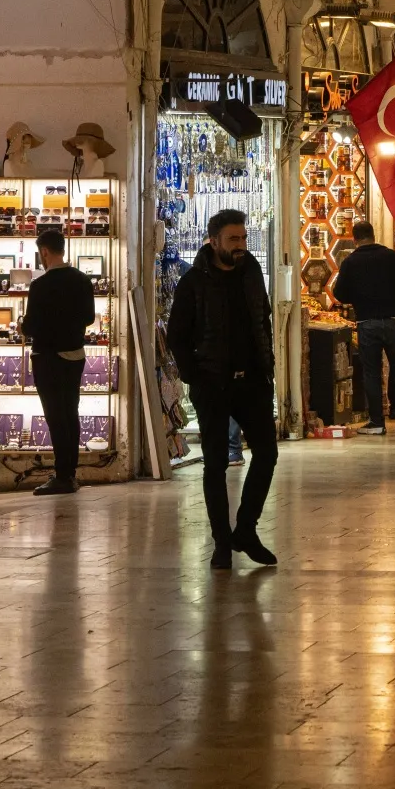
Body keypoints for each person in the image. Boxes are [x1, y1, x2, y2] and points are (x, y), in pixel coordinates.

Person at [166, 209, 280, 568]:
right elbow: (176, 336)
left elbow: (263, 318)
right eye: (233, 239)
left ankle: (245, 529)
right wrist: (194, 377)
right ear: (214, 241)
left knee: (267, 453)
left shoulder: (251, 272)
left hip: (253, 382)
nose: (240, 244)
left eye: (243, 237)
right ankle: (221, 543)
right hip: (212, 384)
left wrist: (267, 366)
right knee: (214, 464)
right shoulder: (193, 281)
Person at [22, 229, 96, 494]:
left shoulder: (40, 286)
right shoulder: (82, 280)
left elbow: (30, 326)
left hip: (48, 357)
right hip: (75, 355)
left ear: (44, 252)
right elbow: (89, 318)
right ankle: (69, 473)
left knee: (55, 417)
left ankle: (62, 475)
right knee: (70, 414)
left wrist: (24, 326)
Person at [331, 219, 395, 434]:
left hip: (367, 322)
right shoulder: (392, 257)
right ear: (374, 235)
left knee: (371, 372)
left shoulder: (350, 261)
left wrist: (358, 298)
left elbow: (339, 293)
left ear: (355, 239)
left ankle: (377, 422)